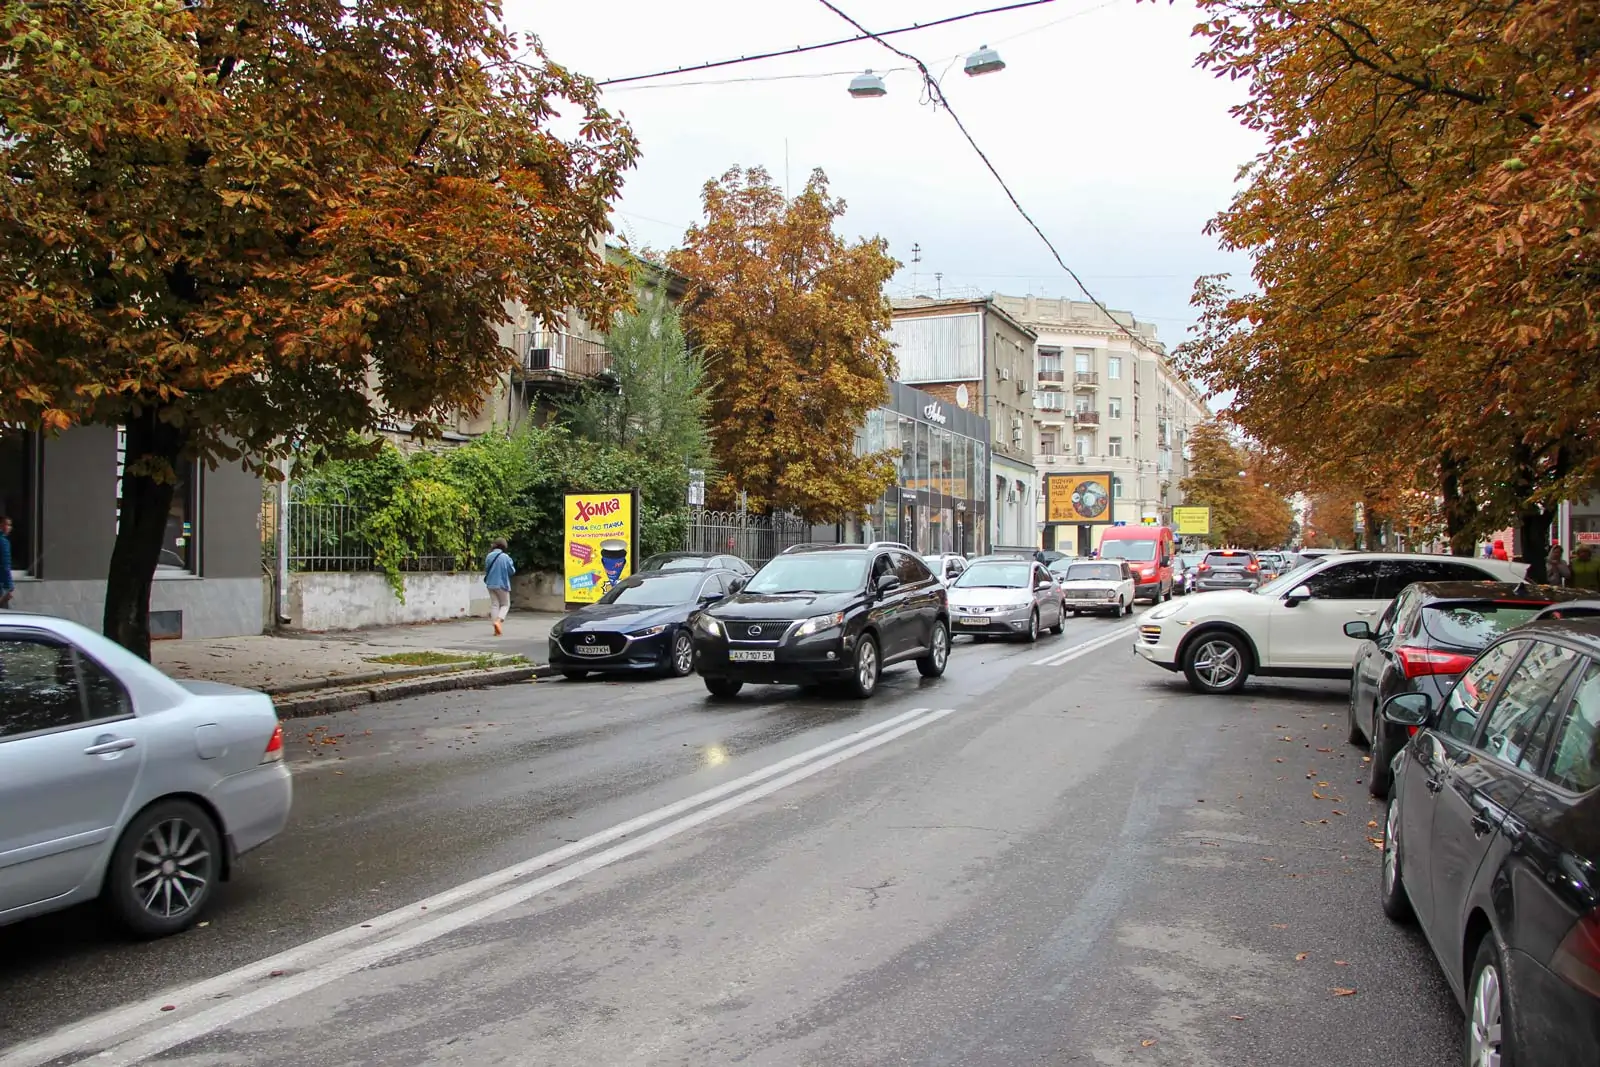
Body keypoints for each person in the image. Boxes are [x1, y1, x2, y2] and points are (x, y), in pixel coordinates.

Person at [483, 538, 515, 636]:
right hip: (502, 584)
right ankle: (498, 621)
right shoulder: (505, 557)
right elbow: (512, 571)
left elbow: (486, 568)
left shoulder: (489, 556)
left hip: (490, 584)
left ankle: (495, 629)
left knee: (494, 605)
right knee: (505, 604)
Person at [0, 515, 12, 609]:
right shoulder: (3, 542)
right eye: (7, 524)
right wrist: (9, 586)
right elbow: (5, 565)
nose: (9, 528)